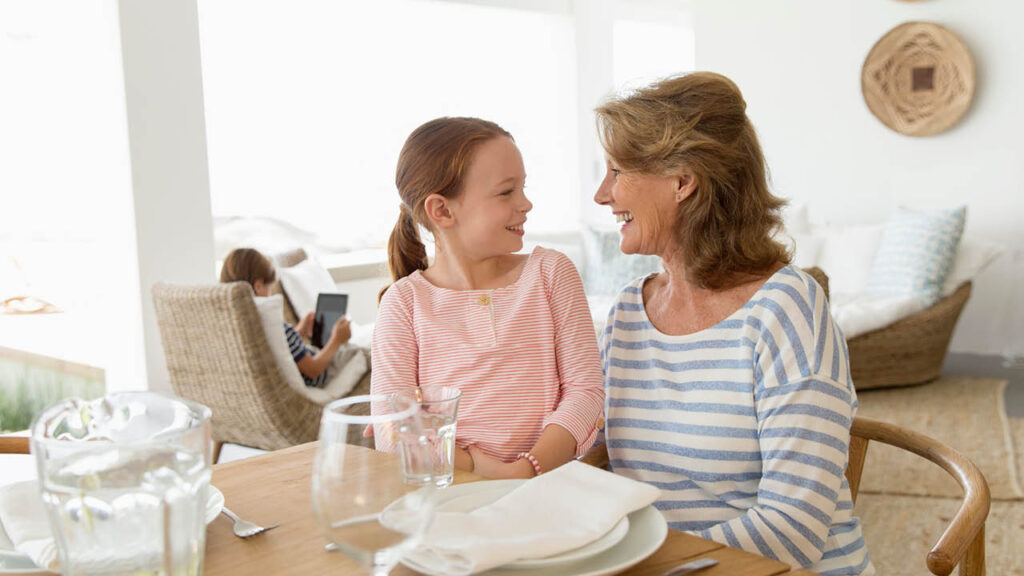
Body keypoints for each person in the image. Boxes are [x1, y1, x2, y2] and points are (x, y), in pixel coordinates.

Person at [591, 73, 873, 575]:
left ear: (682, 181)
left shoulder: (786, 309)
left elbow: (794, 531)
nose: (601, 194)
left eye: (617, 172)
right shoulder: (628, 313)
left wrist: (639, 563)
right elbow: (603, 464)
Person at [370, 117, 604, 479]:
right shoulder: (404, 303)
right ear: (442, 211)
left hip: (548, 487)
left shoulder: (552, 274)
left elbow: (586, 392)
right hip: (448, 496)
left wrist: (529, 469)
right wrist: (483, 468)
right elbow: (393, 434)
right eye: (506, 192)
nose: (526, 203)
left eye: (523, 187)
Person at [220, 248, 352, 388]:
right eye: (270, 288)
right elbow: (313, 370)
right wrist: (336, 340)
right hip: (318, 381)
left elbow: (281, 348)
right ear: (258, 286)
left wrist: (298, 332)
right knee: (360, 357)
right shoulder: (272, 325)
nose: (270, 294)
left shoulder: (236, 326)